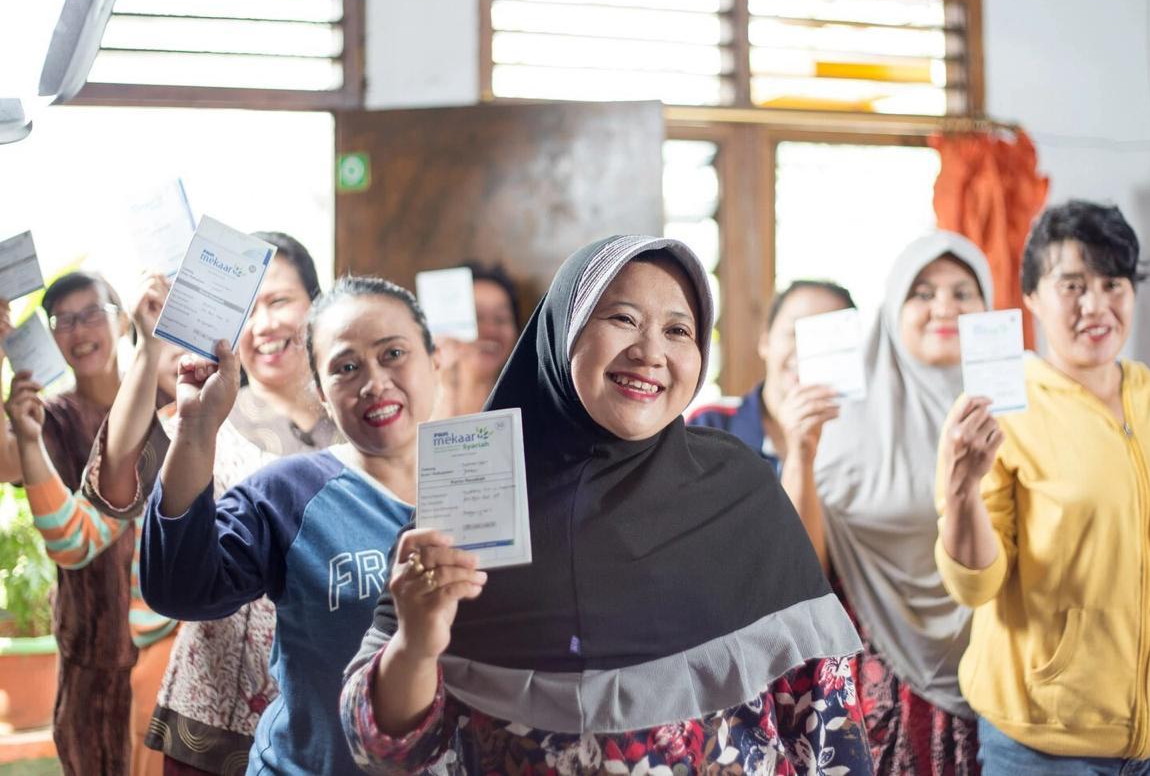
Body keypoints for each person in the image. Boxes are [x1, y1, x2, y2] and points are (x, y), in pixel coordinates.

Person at [339, 235, 874, 774]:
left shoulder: (740, 490)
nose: (651, 352)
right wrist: (416, 645)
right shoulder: (472, 495)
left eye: (678, 330)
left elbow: (827, 726)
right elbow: (381, 750)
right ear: (564, 329)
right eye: (622, 319)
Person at [935, 201, 1150, 772]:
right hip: (1044, 746)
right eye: (1072, 285)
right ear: (1031, 297)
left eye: (1112, 284)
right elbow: (975, 585)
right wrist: (961, 493)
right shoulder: (997, 415)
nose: (1094, 306)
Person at [138, 275, 439, 774]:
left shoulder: (490, 480)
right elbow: (179, 589)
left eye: (393, 354)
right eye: (346, 367)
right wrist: (197, 427)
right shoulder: (289, 493)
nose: (374, 382)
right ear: (320, 390)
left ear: (434, 359)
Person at [82, 233, 340, 775]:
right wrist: (149, 346)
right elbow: (115, 478)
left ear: (316, 304)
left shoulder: (354, 429)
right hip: (210, 717)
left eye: (279, 301)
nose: (263, 325)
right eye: (248, 309)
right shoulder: (202, 412)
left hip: (323, 720)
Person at [813, 232, 992, 774]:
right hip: (884, 676)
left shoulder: (1028, 399)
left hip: (1007, 669)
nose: (945, 307)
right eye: (923, 293)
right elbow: (809, 555)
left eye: (963, 292)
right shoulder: (841, 417)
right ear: (893, 308)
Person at [0, 274, 176, 776]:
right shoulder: (50, 417)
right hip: (90, 649)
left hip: (168, 646)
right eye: (64, 320)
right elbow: (7, 463)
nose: (79, 330)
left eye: (93, 313)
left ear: (123, 322)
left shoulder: (168, 401)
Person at [688, 279, 855, 559]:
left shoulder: (860, 443)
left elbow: (810, 568)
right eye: (795, 332)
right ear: (765, 341)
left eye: (827, 337)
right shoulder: (709, 425)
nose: (808, 350)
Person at [431, 262, 521, 419]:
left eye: (501, 319)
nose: (490, 330)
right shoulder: (412, 413)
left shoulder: (533, 409)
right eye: (476, 317)